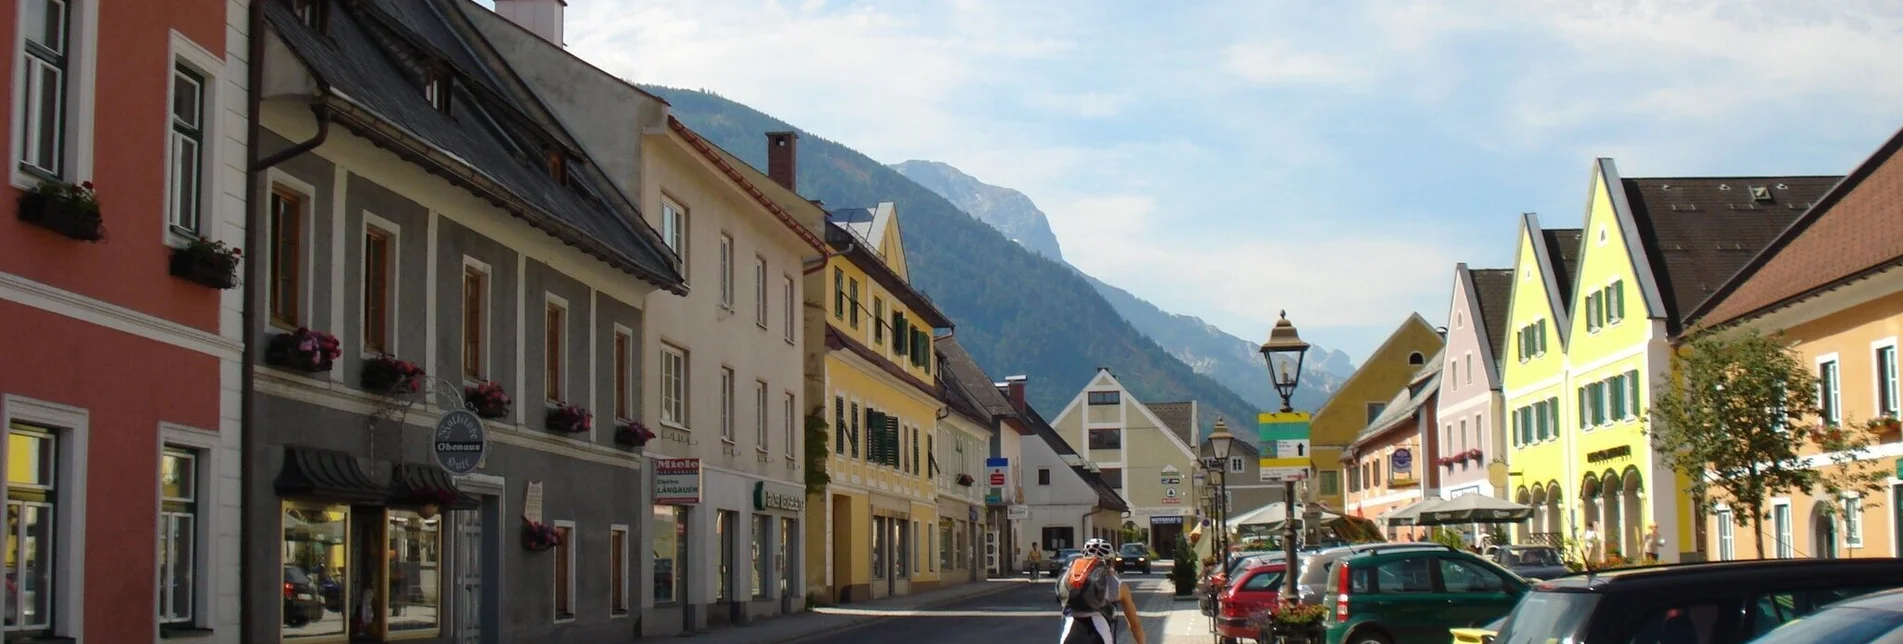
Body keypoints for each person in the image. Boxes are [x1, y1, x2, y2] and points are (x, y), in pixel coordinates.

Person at [1058, 538, 1146, 644]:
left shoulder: (1070, 579)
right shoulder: (1116, 584)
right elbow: (1135, 625)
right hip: (1099, 636)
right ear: (1110, 562)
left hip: (1069, 636)